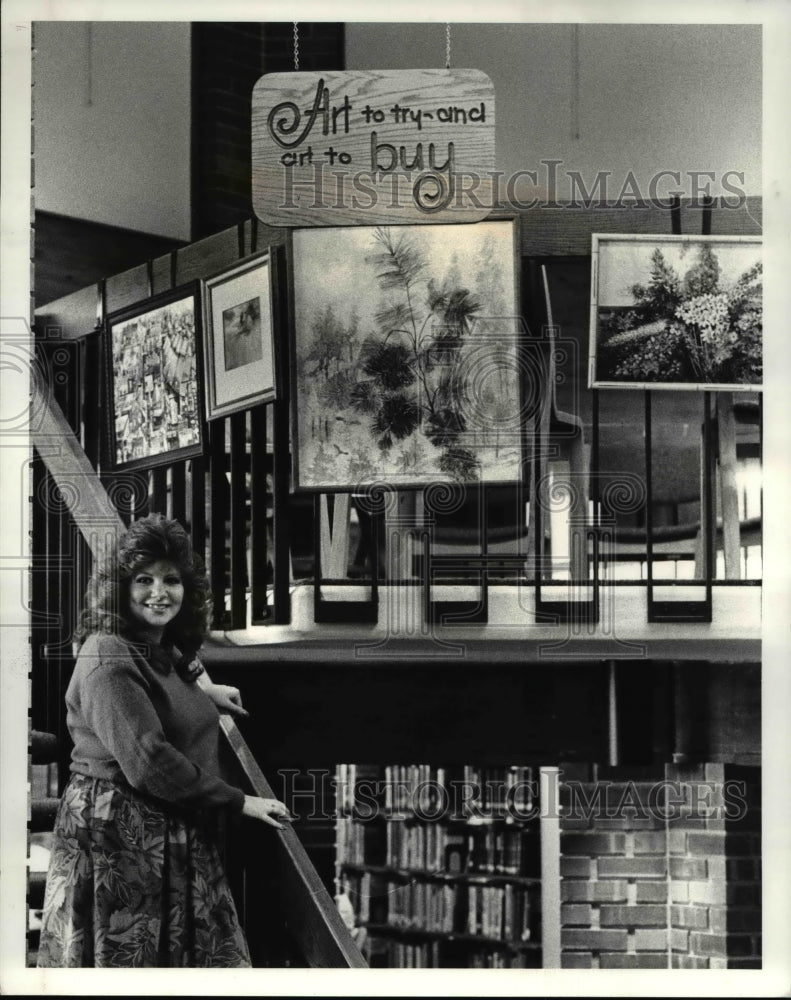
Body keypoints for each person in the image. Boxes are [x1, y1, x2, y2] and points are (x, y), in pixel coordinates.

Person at [36, 513, 290, 968]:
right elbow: (149, 761)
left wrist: (203, 692)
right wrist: (239, 802)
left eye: (171, 580)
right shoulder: (109, 652)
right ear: (120, 588)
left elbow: (166, 669)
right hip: (118, 831)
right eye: (144, 580)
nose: (160, 592)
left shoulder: (149, 640)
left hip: (165, 822)